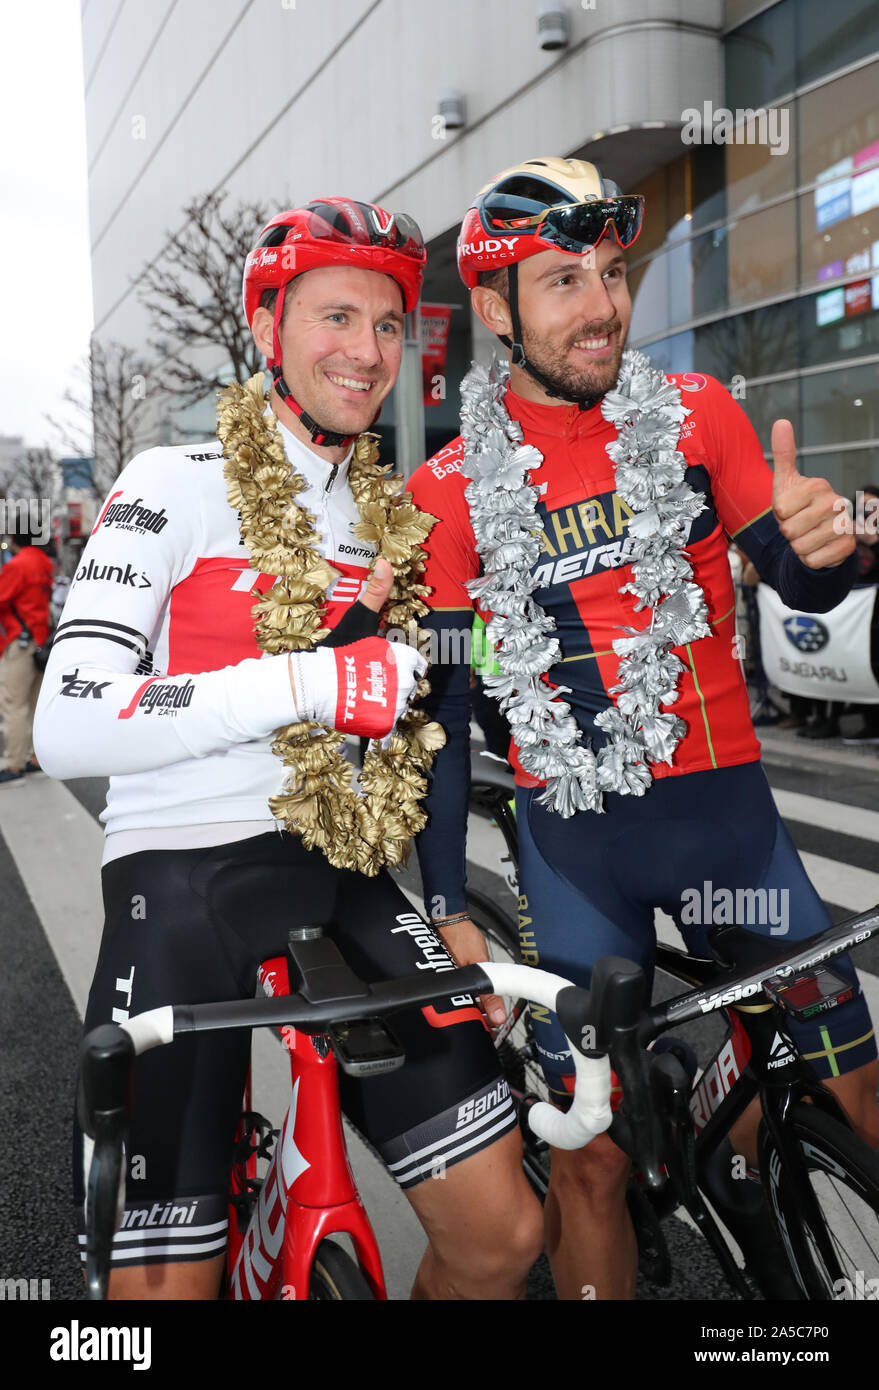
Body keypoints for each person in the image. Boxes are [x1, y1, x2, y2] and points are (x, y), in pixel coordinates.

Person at [34, 197, 542, 1300]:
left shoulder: (390, 515)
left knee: (504, 1233)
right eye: (334, 316)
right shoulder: (170, 482)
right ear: (268, 327)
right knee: (161, 1296)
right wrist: (303, 680)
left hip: (341, 871)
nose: (365, 351)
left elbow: (440, 700)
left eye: (387, 324)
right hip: (178, 873)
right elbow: (65, 719)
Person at [408, 157, 879, 1300]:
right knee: (592, 1159)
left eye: (613, 273)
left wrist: (839, 551)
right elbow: (451, 707)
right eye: (563, 279)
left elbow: (796, 581)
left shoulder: (702, 415)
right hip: (582, 866)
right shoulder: (448, 492)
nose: (604, 305)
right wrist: (436, 907)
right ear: (493, 307)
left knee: (858, 1100)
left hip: (734, 839)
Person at [0, 526, 53, 783]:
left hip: (19, 643)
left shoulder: (17, 565)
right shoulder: (45, 564)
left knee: (13, 704)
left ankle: (14, 763)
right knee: (35, 704)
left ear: (13, 538)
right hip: (41, 642)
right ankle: (35, 757)